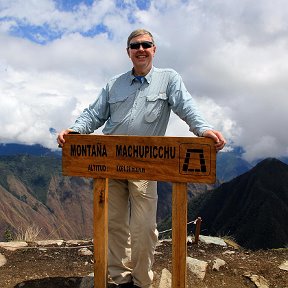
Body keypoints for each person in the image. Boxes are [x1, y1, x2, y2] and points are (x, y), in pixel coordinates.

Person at [57, 29, 226, 288]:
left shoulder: (169, 79)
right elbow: (94, 113)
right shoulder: (114, 84)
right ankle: (120, 278)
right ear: (128, 52)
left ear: (154, 49)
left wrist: (203, 130)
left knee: (145, 229)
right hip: (110, 164)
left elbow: (186, 106)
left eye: (146, 44)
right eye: (135, 45)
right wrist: (76, 130)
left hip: (146, 166)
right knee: (113, 225)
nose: (141, 49)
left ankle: (141, 281)